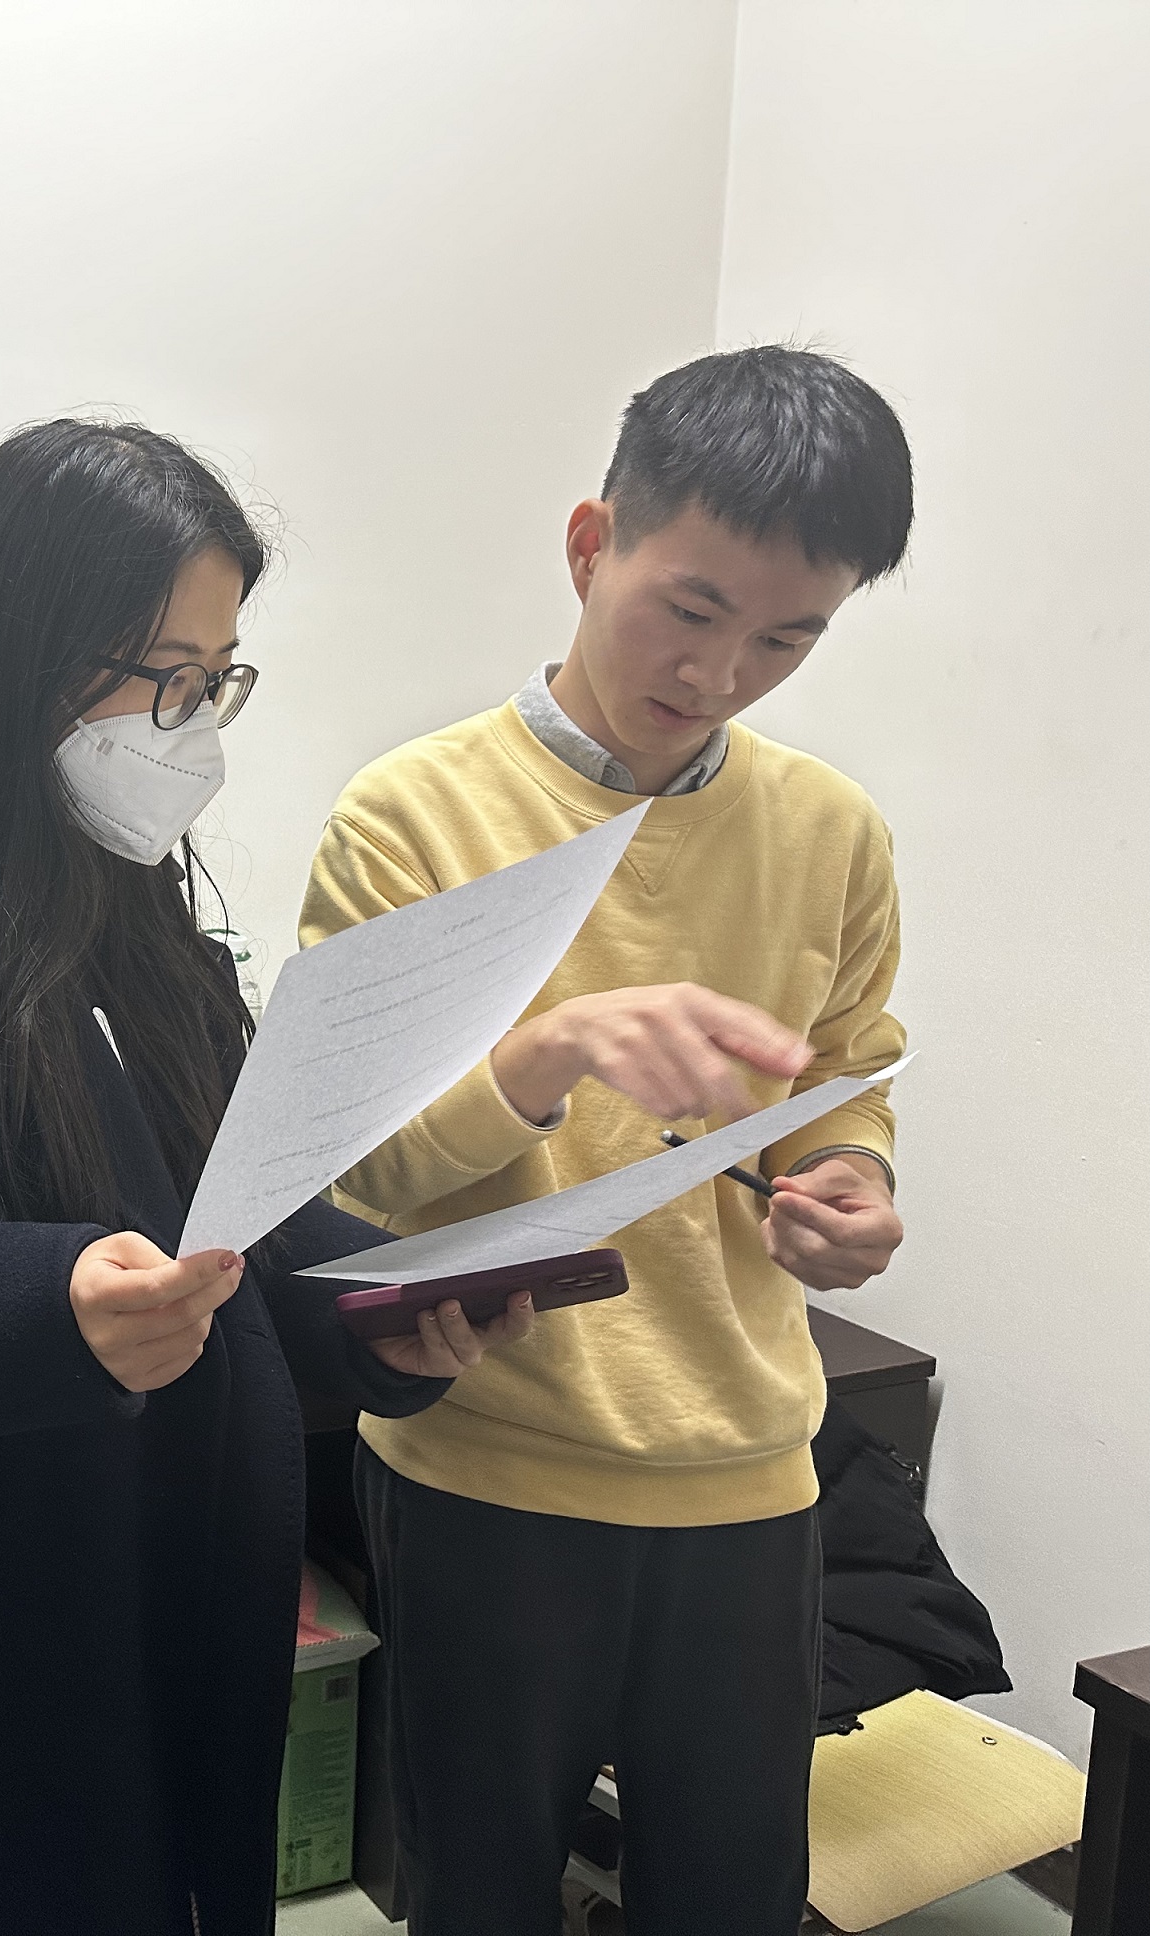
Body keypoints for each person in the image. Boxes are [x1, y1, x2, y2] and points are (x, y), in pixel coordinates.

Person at [0, 419, 530, 1935]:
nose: (195, 731)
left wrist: (370, 1318)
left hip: (154, 1607)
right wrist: (48, 1303)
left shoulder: (130, 906)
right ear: (32, 650)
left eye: (220, 681)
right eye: (168, 679)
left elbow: (233, 1208)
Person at [301, 346, 914, 1934]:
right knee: (478, 1894)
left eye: (785, 638)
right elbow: (353, 1174)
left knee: (729, 1896)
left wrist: (849, 1178)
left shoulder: (829, 829)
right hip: (482, 1465)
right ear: (590, 546)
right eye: (687, 609)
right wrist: (544, 1057)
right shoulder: (409, 816)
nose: (717, 674)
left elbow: (847, 1072)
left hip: (746, 1472)